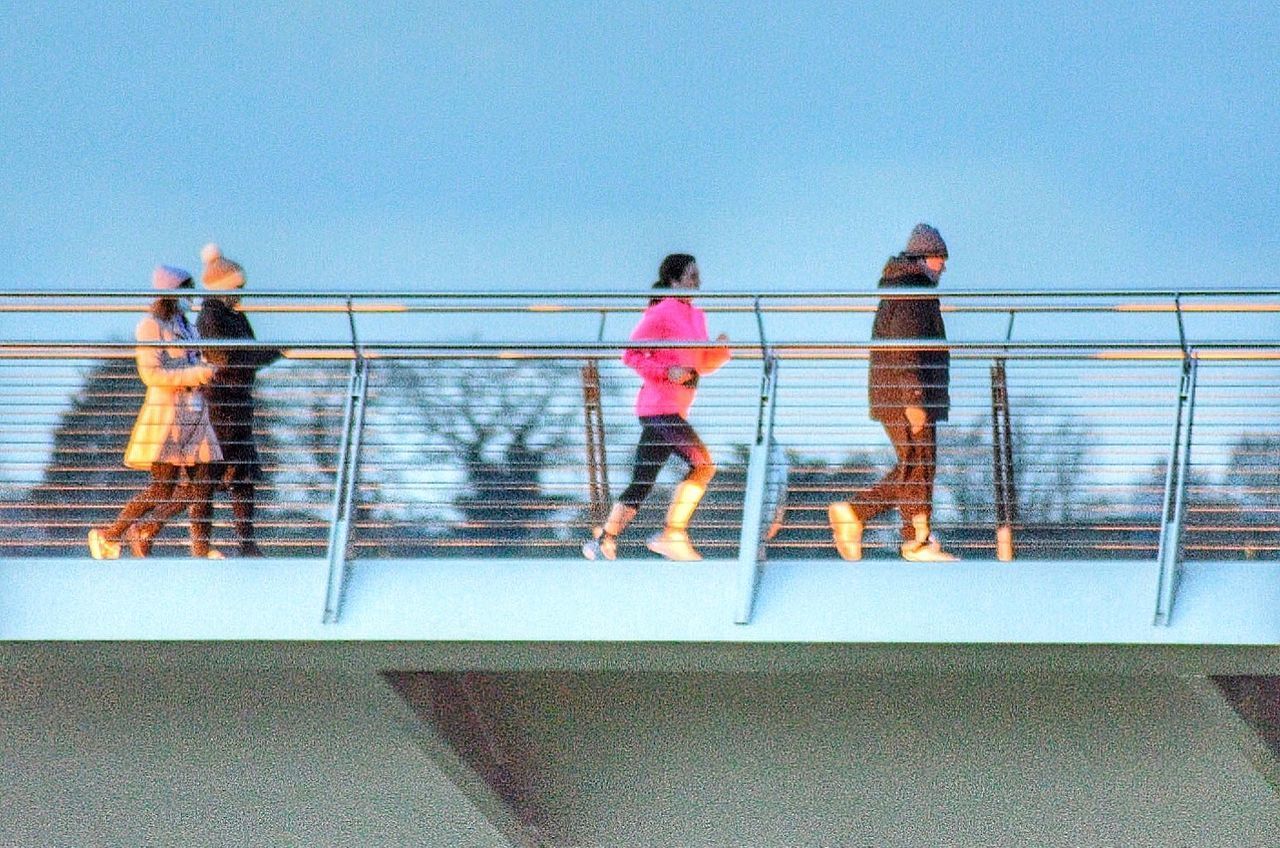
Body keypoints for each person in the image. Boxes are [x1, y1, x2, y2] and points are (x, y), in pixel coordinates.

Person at [582, 254, 731, 562]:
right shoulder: (662, 311)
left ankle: (603, 541)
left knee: (642, 481)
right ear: (674, 281)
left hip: (673, 409)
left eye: (698, 275)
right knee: (703, 465)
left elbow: (699, 364)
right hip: (659, 407)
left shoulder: (697, 316)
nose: (698, 282)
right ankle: (672, 534)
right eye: (691, 276)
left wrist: (720, 350)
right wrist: (667, 371)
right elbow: (632, 354)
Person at [828, 223, 958, 562]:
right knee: (918, 462)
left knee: (918, 462)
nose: (943, 266)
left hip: (902, 392)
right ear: (923, 258)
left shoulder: (908, 288)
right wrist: (915, 400)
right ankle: (913, 539)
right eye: (939, 258)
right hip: (905, 394)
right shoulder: (911, 291)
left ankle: (864, 517)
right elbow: (906, 346)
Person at [88, 265, 222, 559]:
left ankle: (199, 548)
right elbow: (152, 374)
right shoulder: (151, 326)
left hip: (196, 414)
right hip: (169, 418)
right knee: (163, 488)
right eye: (186, 290)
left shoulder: (188, 326)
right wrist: (196, 374)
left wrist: (207, 372)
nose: (191, 296)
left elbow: (193, 359)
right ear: (171, 292)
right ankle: (113, 534)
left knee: (205, 481)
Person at [197, 243, 282, 557]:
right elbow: (225, 356)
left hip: (239, 403)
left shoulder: (233, 315)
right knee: (212, 473)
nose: (242, 293)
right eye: (237, 287)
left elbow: (243, 353)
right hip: (221, 404)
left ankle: (247, 542)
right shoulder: (211, 317)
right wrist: (270, 353)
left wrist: (263, 354)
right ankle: (202, 544)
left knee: (243, 474)